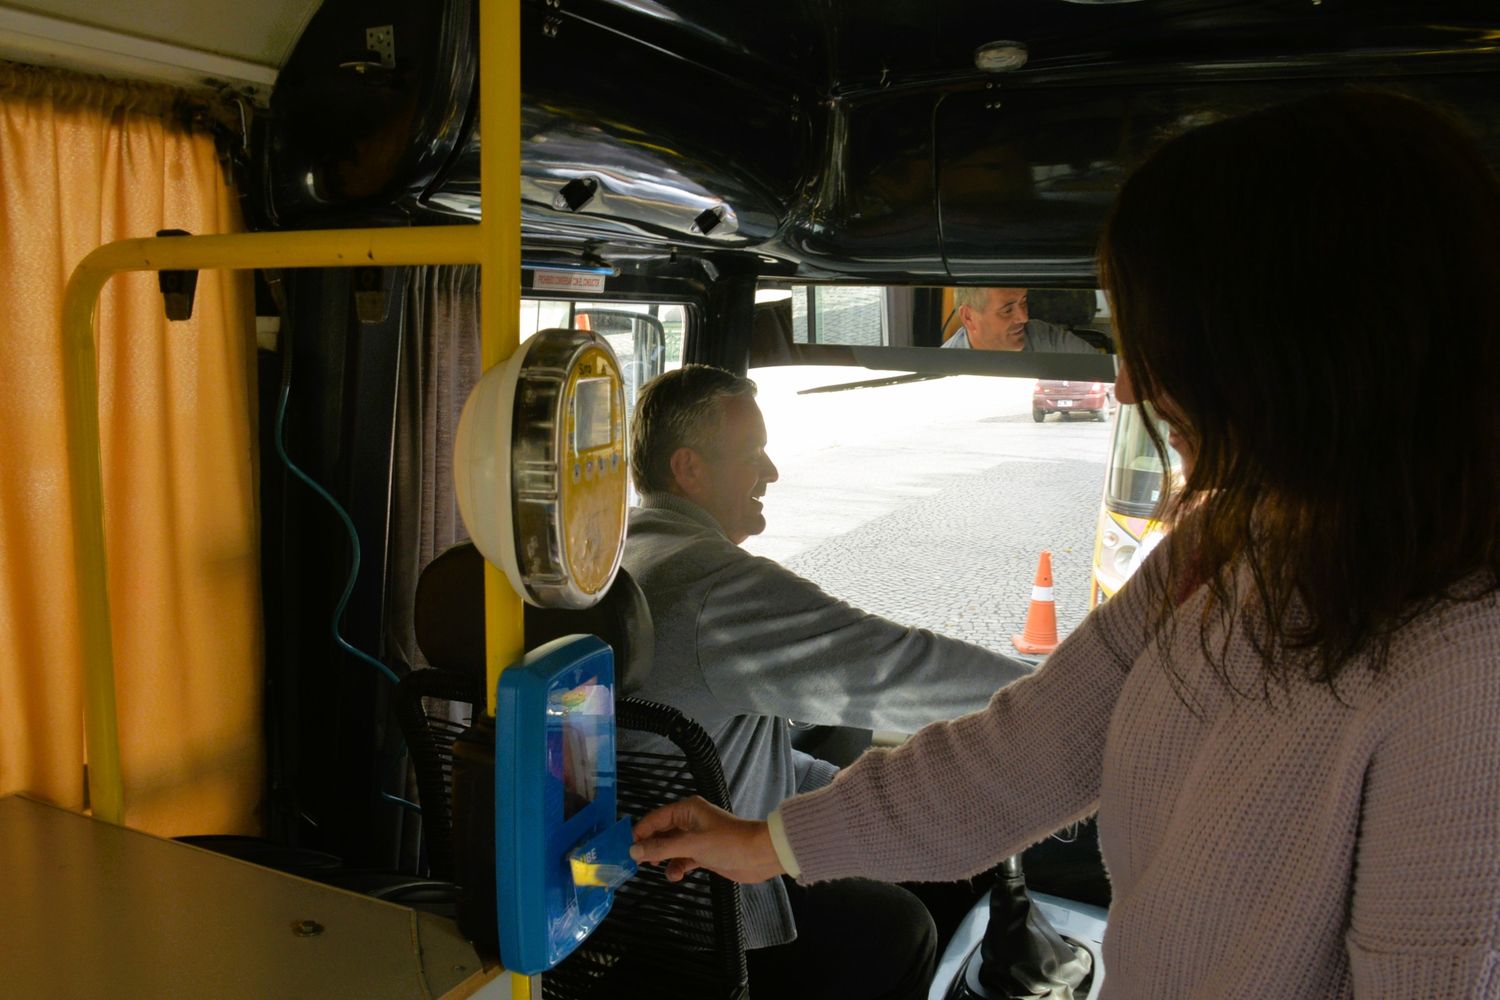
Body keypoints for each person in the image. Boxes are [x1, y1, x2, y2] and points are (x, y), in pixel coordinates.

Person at [630, 90, 1500, 999]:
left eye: (1160, 345)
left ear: (1303, 353)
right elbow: (1022, 755)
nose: (1125, 385)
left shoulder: (1466, 666)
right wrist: (765, 843)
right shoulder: (1222, 551)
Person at [622, 363, 1036, 999]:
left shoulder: (629, 550)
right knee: (906, 926)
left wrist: (856, 792)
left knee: (861, 757)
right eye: (754, 454)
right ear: (689, 470)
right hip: (705, 908)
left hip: (653, 867)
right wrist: (1061, 699)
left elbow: (737, 755)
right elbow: (899, 668)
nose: (772, 473)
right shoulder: (716, 588)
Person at [942, 286, 1099, 352]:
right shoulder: (944, 370)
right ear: (968, 317)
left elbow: (1102, 369)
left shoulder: (1045, 338)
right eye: (1007, 310)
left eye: (1024, 303)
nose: (1024, 318)